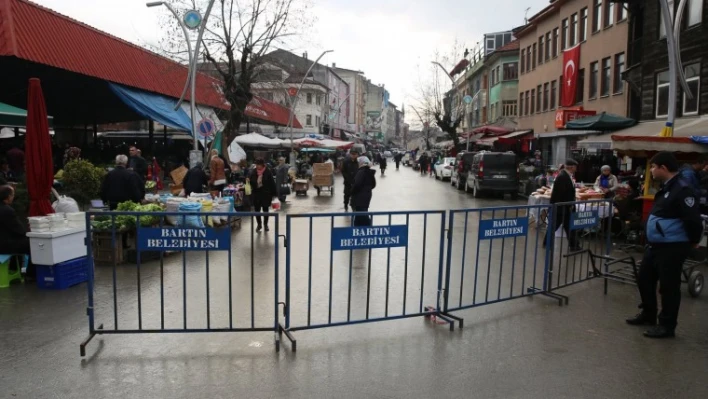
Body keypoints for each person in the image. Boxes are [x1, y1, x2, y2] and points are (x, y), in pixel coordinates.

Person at [626, 152, 703, 338]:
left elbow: (692, 220)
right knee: (644, 278)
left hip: (672, 246)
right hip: (657, 244)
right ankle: (648, 314)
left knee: (668, 286)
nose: (651, 170)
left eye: (653, 167)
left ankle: (667, 325)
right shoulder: (668, 187)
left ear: (664, 168)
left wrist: (693, 241)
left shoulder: (683, 189)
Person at [0, 185, 35, 279]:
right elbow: (19, 231)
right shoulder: (8, 210)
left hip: (4, 241)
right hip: (5, 245)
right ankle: (31, 274)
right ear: (8, 197)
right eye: (12, 195)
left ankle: (14, 268)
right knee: (33, 245)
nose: (13, 197)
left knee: (21, 242)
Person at [547, 159, 580, 251]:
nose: (576, 169)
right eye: (575, 167)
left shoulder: (567, 176)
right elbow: (559, 194)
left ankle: (574, 245)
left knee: (569, 226)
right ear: (571, 167)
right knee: (555, 225)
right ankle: (547, 242)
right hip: (562, 207)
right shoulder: (562, 176)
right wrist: (559, 206)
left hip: (566, 206)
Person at [248, 158, 277, 232]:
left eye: (259, 165)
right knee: (257, 210)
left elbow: (272, 183)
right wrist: (249, 180)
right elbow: (251, 181)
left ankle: (265, 224)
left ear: (262, 165)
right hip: (256, 194)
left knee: (265, 210)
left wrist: (274, 194)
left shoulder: (268, 172)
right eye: (257, 164)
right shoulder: (254, 172)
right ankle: (259, 224)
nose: (258, 166)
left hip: (266, 194)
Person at [351, 156, 376, 226]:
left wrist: (352, 192)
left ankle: (369, 230)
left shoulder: (361, 172)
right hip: (367, 196)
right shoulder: (369, 172)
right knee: (360, 216)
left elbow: (356, 184)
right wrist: (367, 189)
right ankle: (357, 231)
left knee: (362, 215)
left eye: (358, 162)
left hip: (360, 198)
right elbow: (373, 184)